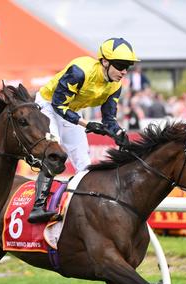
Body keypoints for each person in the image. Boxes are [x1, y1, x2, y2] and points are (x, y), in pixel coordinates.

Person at [29, 37, 138, 223]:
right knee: (53, 154)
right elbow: (58, 105)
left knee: (84, 163)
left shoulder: (115, 85)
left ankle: (85, 209)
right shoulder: (79, 71)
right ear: (104, 61)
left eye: (127, 66)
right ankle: (37, 208)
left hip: (71, 111)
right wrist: (86, 124)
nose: (124, 71)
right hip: (47, 105)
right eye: (120, 65)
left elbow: (109, 119)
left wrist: (119, 134)